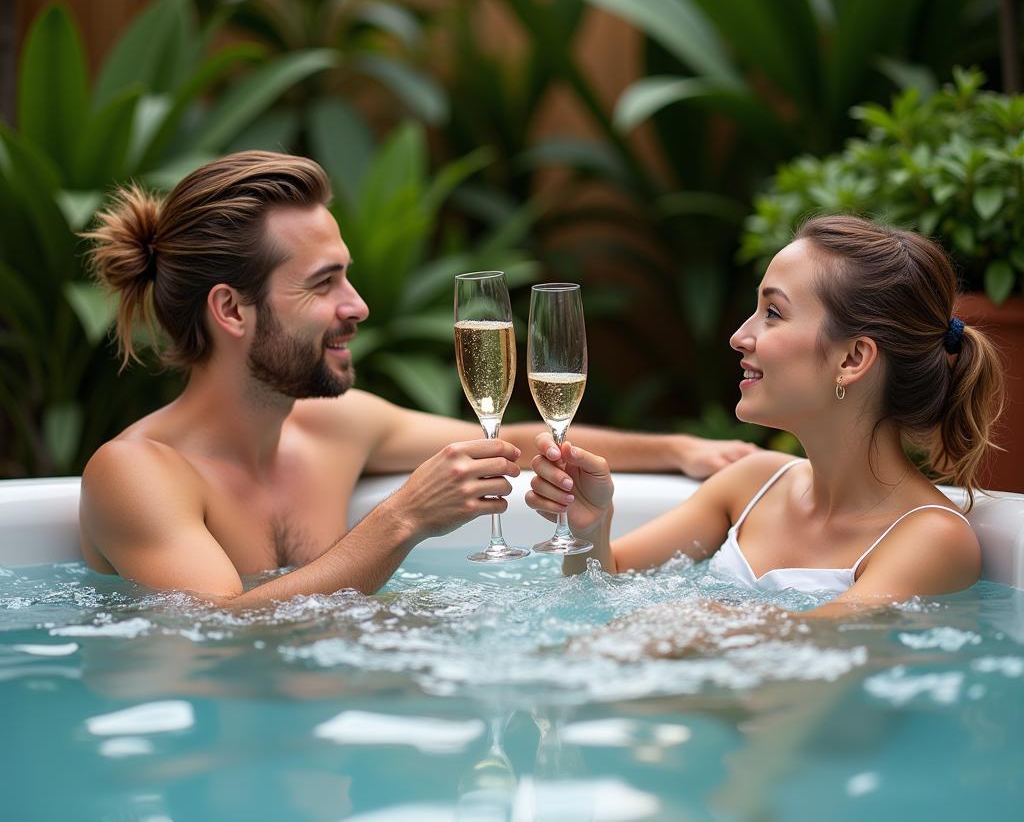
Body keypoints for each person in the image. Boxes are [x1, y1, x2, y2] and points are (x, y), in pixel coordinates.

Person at [79, 151, 755, 605]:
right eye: (324, 284)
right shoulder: (139, 474)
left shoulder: (334, 426)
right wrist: (402, 519)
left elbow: (505, 441)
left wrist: (681, 452)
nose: (358, 306)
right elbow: (218, 637)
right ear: (230, 309)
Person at [527, 215, 1003, 613]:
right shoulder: (751, 483)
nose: (739, 336)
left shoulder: (932, 539)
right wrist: (592, 528)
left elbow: (801, 669)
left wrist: (700, 622)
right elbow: (592, 601)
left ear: (853, 359)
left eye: (772, 313)